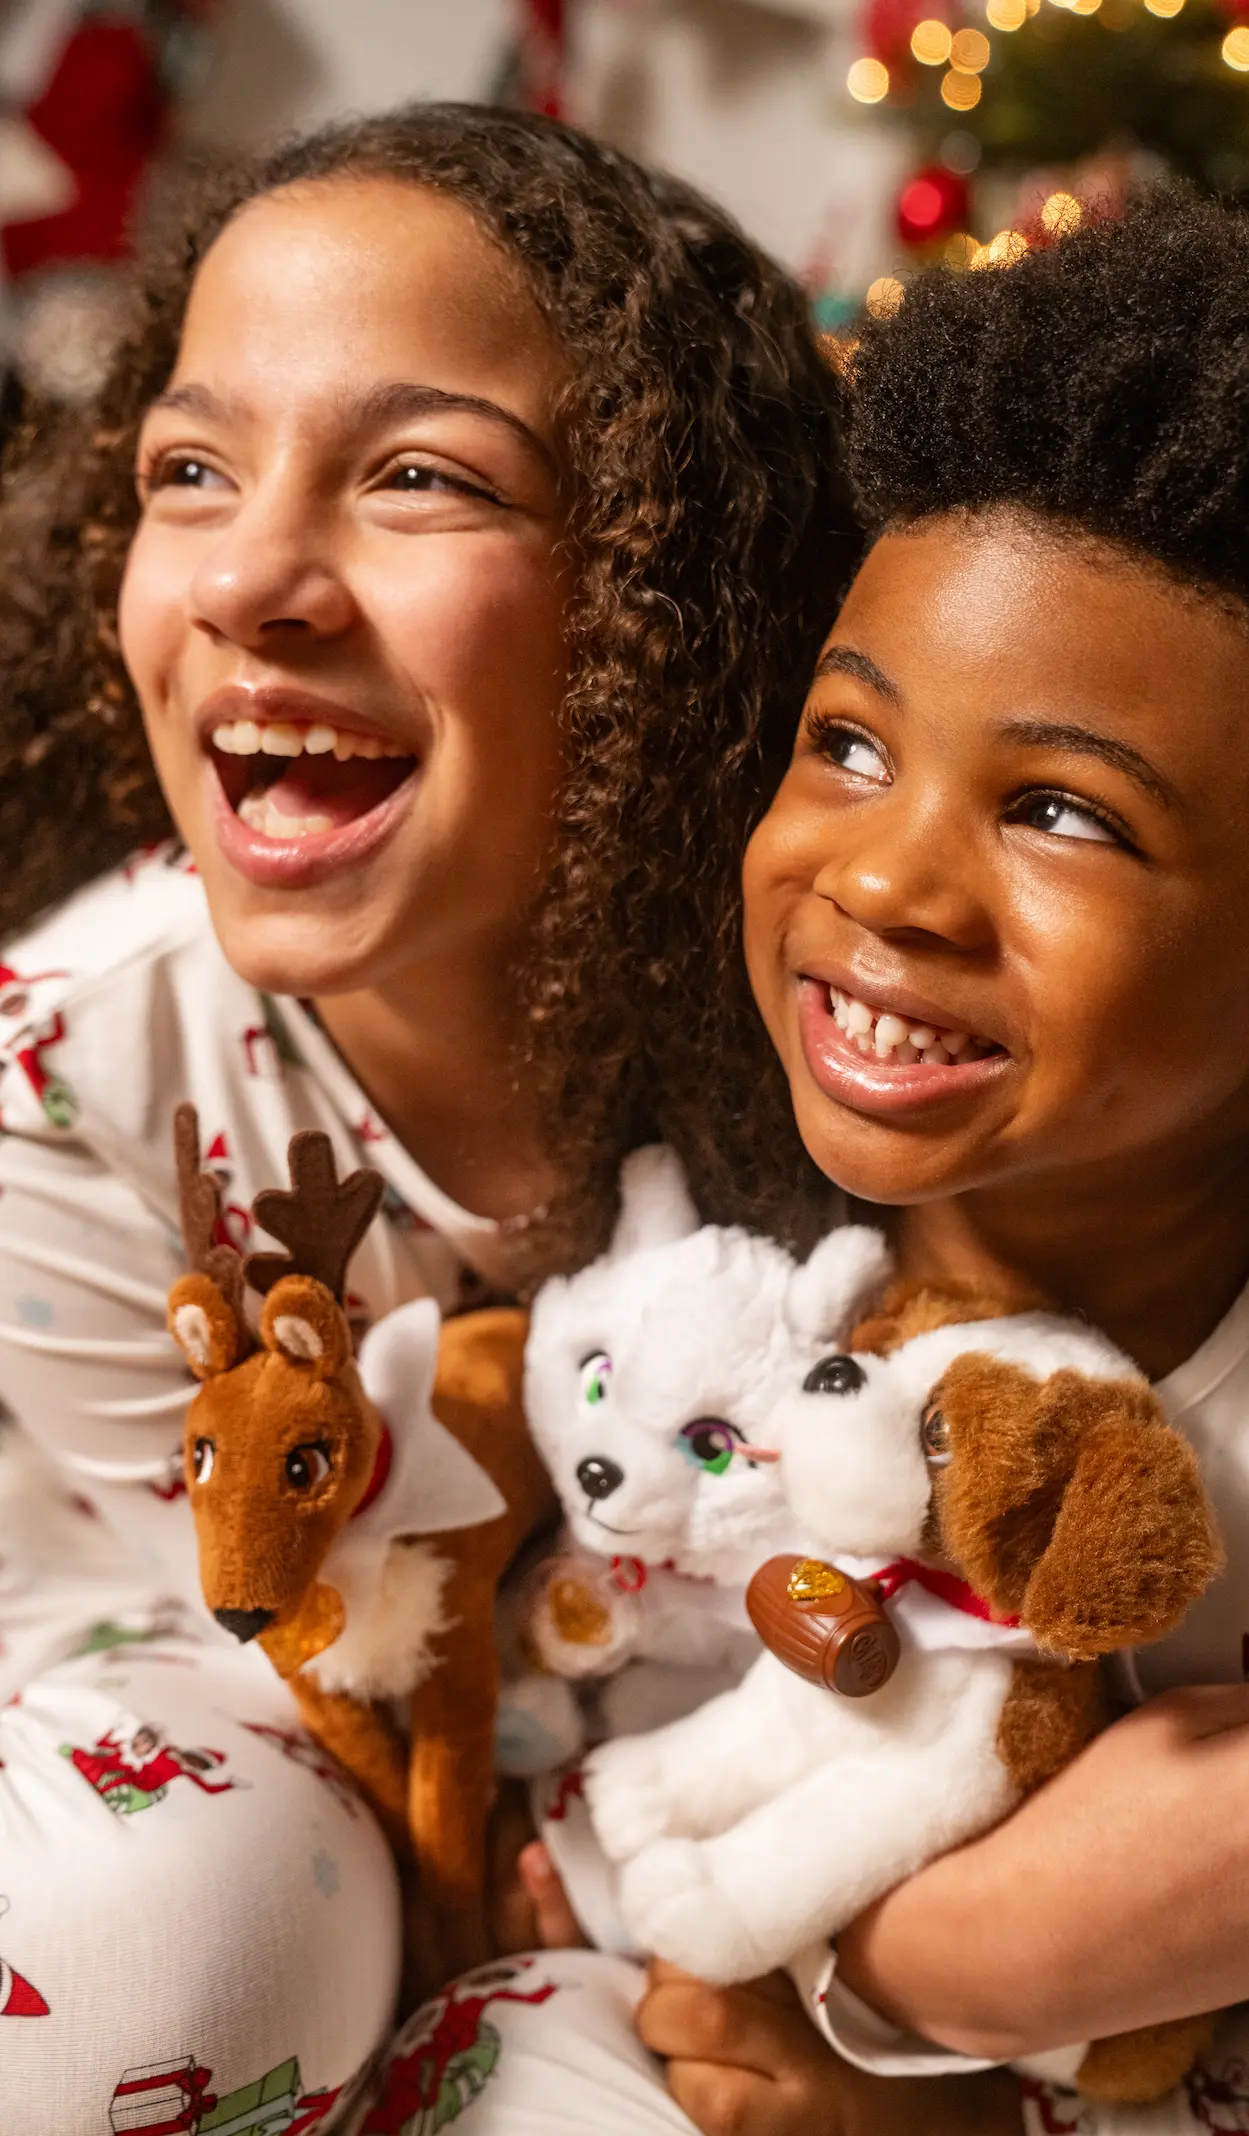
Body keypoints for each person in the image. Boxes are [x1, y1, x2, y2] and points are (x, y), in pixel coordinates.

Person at [381, 191, 1249, 2136]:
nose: (881, 879)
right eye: (850, 746)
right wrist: (888, 2008)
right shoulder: (716, 1266)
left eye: (1061, 812)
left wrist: (950, 1984)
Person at [0, 103, 856, 2134]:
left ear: (663, 592)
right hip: (216, 1718)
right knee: (180, 1922)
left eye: (418, 478)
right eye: (189, 471)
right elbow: (299, 1672)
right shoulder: (70, 1074)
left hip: (672, 1787)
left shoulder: (854, 1025)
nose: (252, 578)